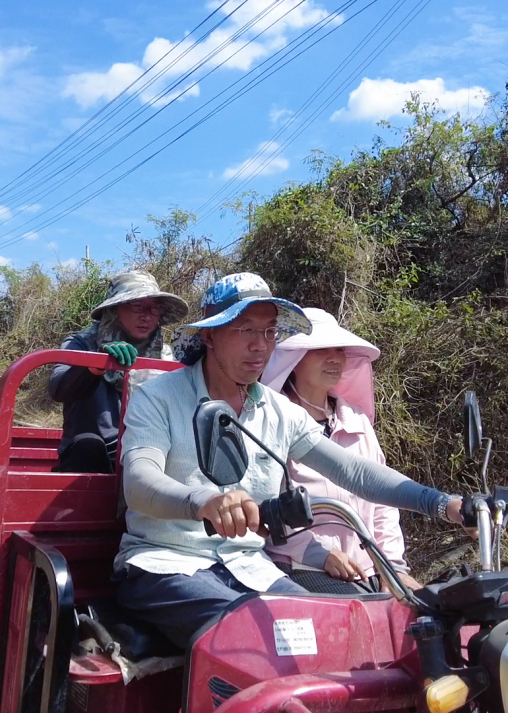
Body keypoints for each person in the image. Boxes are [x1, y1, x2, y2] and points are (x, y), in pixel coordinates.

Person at [114, 273, 465, 649]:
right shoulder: (157, 398)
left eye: (269, 332)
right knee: (253, 637)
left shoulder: (280, 412)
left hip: (250, 566)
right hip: (165, 563)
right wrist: (203, 501)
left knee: (325, 636)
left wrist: (442, 504)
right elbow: (139, 481)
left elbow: (353, 471)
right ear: (210, 336)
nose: (260, 346)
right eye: (246, 330)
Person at [261, 308, 420, 594]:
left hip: (369, 570)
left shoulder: (357, 421)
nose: (335, 358)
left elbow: (383, 503)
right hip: (299, 568)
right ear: (293, 359)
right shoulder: (270, 421)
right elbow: (264, 503)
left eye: (339, 349)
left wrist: (393, 569)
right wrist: (318, 553)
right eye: (321, 349)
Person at [48, 271, 188, 474]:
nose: (147, 316)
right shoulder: (81, 344)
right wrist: (96, 364)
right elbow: (58, 388)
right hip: (93, 458)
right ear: (115, 309)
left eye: (155, 308)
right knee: (88, 445)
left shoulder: (166, 356)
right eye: (137, 306)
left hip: (144, 453)